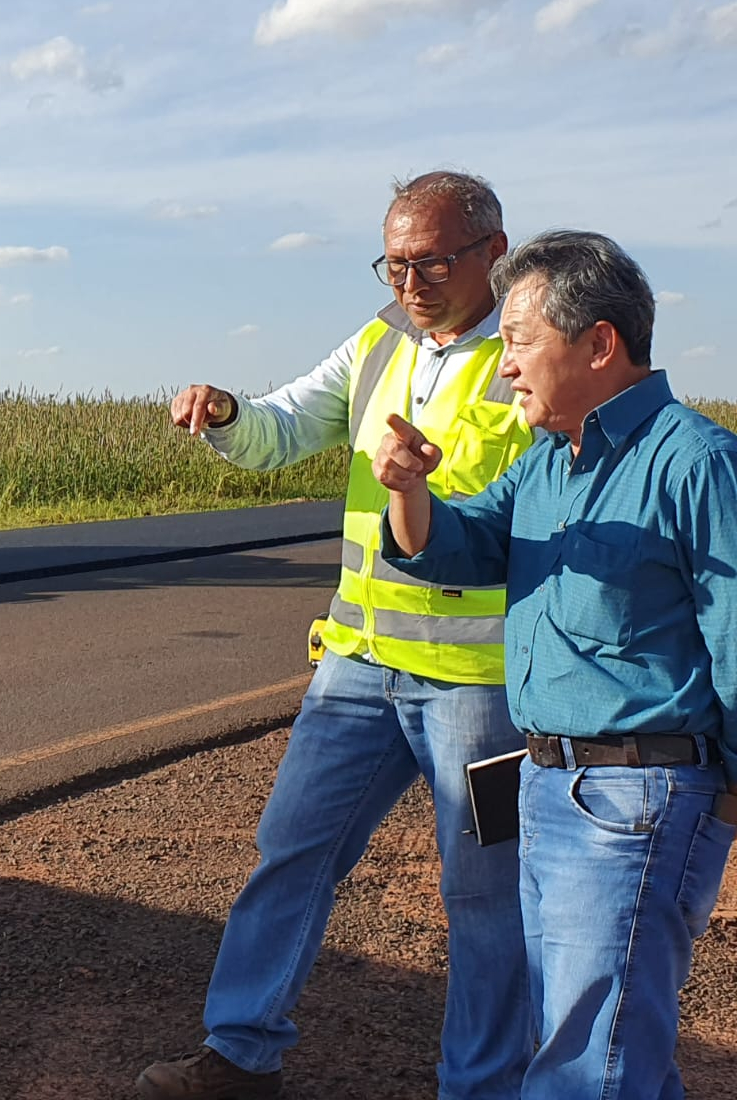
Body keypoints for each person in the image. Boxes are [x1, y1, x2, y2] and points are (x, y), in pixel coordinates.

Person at [139, 171, 536, 1100]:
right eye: (393, 263)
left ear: (494, 251)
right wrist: (230, 414)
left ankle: (480, 1088)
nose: (409, 283)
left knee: (485, 902)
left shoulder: (530, 353)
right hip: (358, 669)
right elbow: (281, 430)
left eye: (430, 261)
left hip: (482, 689)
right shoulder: (379, 342)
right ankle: (238, 1057)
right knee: (291, 855)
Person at [374, 229, 737, 1100]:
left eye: (520, 340)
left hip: (636, 801)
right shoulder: (548, 463)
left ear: (600, 344)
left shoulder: (696, 465)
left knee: (586, 1062)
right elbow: (460, 550)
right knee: (604, 1041)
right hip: (548, 789)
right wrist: (408, 490)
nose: (504, 365)